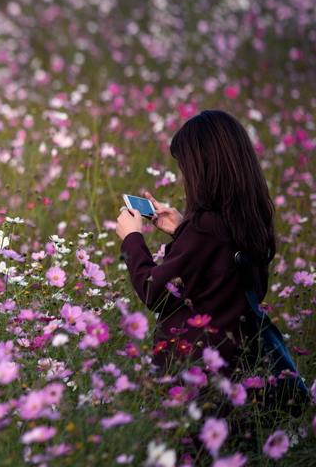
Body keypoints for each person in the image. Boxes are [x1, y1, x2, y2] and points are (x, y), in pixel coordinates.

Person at [115, 109, 276, 371]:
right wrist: (182, 230)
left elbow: (155, 291)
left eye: (185, 167)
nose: (183, 177)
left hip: (194, 381)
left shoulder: (205, 228)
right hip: (235, 374)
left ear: (204, 168)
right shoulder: (248, 221)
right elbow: (221, 277)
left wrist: (133, 238)